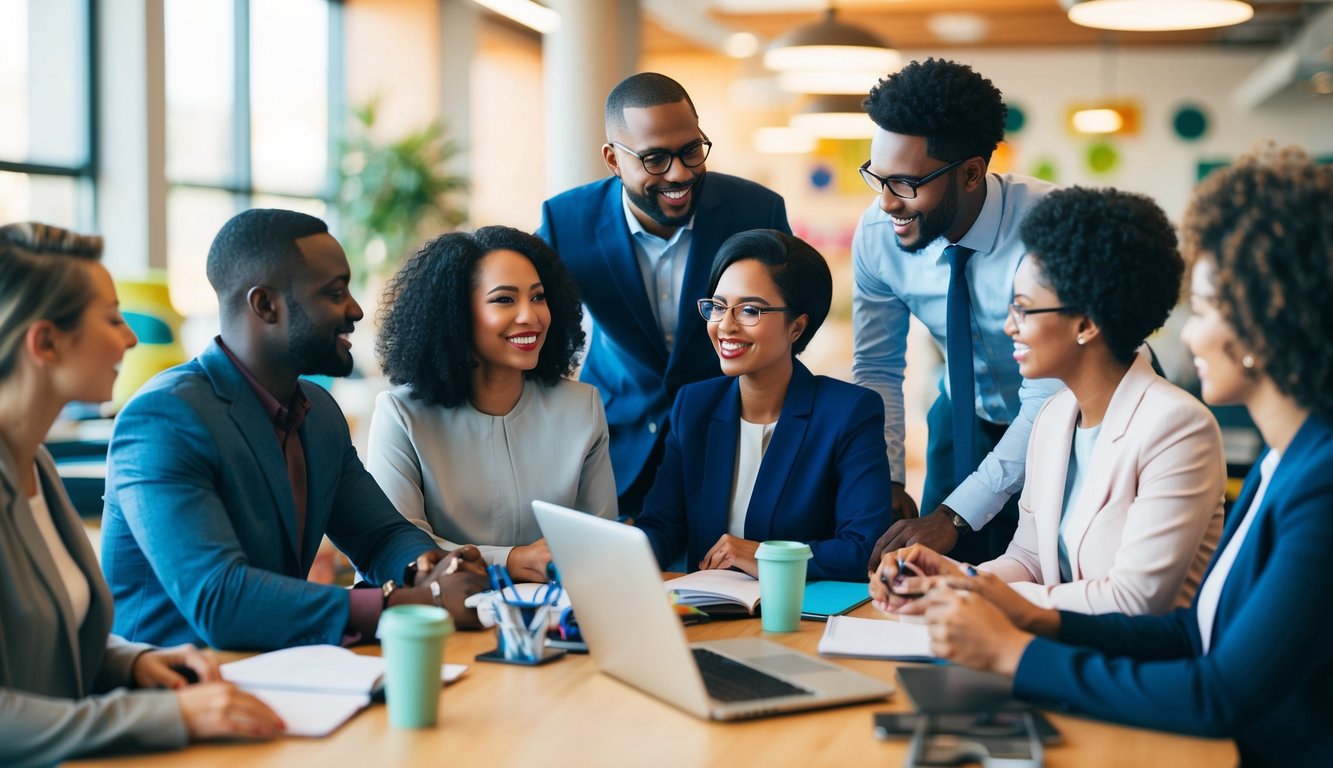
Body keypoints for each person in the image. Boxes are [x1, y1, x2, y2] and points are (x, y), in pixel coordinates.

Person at [874, 146, 1333, 767]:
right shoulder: (1284, 463)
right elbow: (1190, 631)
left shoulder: (1314, 477)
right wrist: (982, 592)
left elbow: (1218, 689)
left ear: (1266, 319)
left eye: (1207, 311)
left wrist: (1012, 649)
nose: (1189, 332)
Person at [101, 209, 489, 651]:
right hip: (171, 694)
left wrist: (428, 566)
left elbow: (381, 536)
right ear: (265, 304)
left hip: (282, 674)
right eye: (335, 292)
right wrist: (415, 601)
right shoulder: (164, 418)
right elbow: (220, 600)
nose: (356, 309)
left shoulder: (318, 411)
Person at [0, 223, 285, 766]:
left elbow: (48, 636)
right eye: (111, 318)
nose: (130, 338)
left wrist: (133, 662)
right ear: (45, 342)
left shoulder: (34, 463)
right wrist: (173, 716)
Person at [876, 187, 1225, 616]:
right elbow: (1030, 561)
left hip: (1133, 671)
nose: (1009, 327)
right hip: (1057, 654)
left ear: (1085, 323)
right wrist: (949, 577)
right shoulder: (1053, 417)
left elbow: (1133, 602)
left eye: (1023, 309)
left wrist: (968, 594)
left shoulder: (1177, 427)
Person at [538, 72, 792, 518]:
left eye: (691, 149)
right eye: (655, 158)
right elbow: (530, 323)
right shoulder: (566, 222)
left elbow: (790, 323)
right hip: (617, 445)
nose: (680, 173)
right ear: (613, 160)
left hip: (731, 440)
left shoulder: (757, 211)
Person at [852, 58, 1062, 566]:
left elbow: (1048, 398)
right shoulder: (879, 235)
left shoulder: (1048, 230)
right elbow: (877, 368)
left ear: (971, 173)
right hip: (966, 411)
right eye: (876, 178)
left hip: (1070, 412)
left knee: (1049, 569)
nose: (885, 203)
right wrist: (889, 477)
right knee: (929, 566)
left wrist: (953, 515)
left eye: (904, 184)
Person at [634, 230, 893, 582]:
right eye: (718, 306)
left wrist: (762, 553)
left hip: (802, 616)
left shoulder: (849, 413)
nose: (725, 325)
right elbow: (663, 527)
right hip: (710, 612)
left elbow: (862, 549)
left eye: (750, 310)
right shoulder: (693, 405)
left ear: (797, 327)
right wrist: (614, 551)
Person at [366, 226, 617, 583]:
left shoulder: (582, 407)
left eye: (538, 297)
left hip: (563, 614)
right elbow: (398, 547)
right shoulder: (401, 415)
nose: (530, 316)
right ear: (456, 314)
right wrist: (509, 560)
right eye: (504, 299)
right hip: (447, 616)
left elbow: (603, 539)